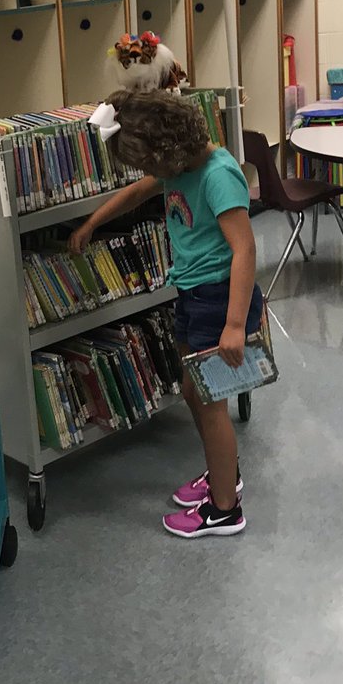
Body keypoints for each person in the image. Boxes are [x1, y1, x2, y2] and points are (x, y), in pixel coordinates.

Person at [68, 89, 262, 538]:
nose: (151, 175)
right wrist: (93, 222)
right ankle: (222, 475)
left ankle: (225, 509)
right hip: (193, 293)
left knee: (212, 404)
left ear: (166, 152)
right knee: (194, 393)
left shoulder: (217, 175)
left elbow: (245, 248)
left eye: (150, 165)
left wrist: (234, 324)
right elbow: (139, 192)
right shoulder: (182, 166)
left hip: (219, 297)